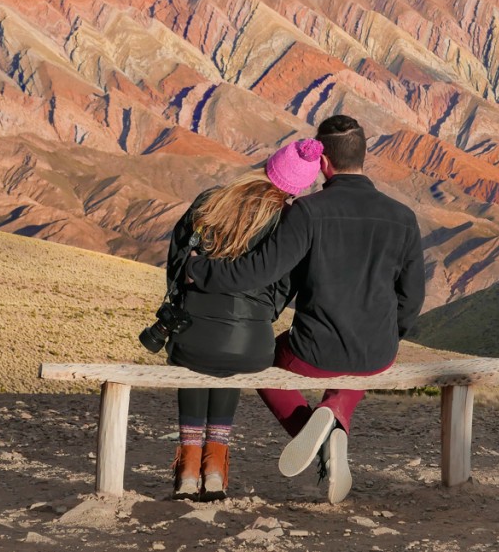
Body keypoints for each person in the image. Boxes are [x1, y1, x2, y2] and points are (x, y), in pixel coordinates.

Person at [185, 114, 426, 504]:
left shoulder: (308, 212)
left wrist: (197, 268)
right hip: (377, 352)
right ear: (364, 156)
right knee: (360, 365)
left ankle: (312, 433)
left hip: (314, 353)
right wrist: (390, 333)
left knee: (263, 365)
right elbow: (412, 298)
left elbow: (255, 271)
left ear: (323, 163)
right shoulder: (404, 218)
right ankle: (335, 418)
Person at [165, 138, 324, 501]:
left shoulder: (210, 202)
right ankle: (216, 469)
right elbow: (287, 285)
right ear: (299, 187)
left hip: (191, 336)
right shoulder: (289, 221)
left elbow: (176, 265)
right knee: (230, 352)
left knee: (200, 349)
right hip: (253, 345)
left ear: (270, 165)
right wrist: (258, 317)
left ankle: (188, 470)